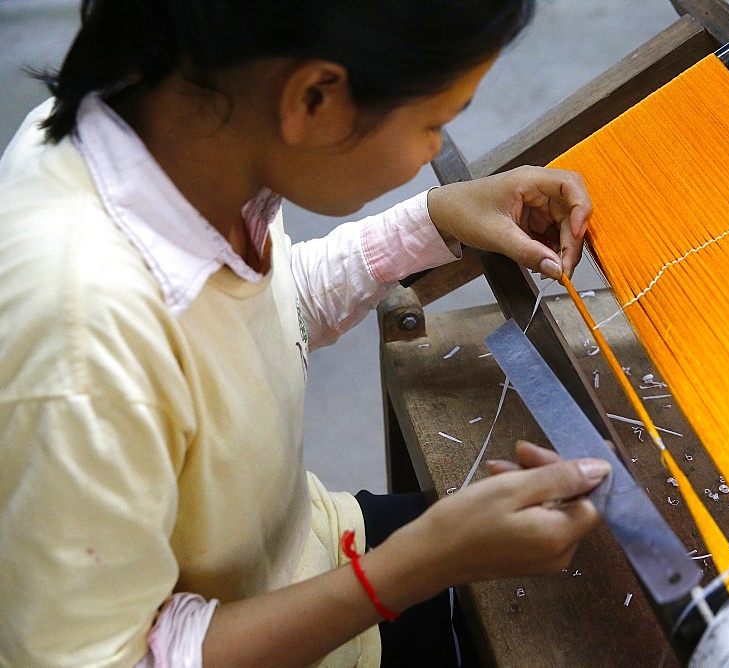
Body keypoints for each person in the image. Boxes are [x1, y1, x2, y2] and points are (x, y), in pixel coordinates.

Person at [0, 1, 611, 666]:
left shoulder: (174, 142)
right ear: (315, 99)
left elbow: (264, 313)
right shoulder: (82, 342)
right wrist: (412, 569)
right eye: (435, 123)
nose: (436, 149)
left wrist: (436, 220)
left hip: (303, 559)